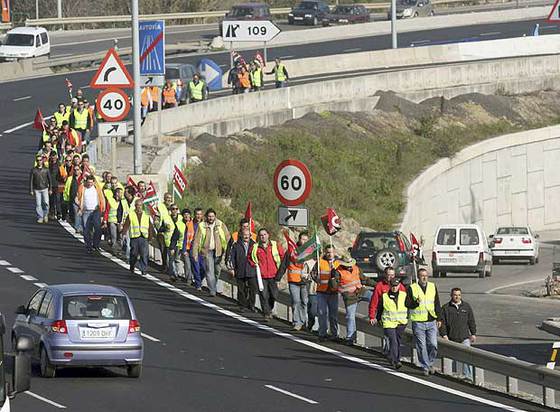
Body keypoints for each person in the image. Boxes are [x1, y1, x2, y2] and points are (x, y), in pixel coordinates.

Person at [331, 255, 374, 345]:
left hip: (361, 291)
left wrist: (377, 285)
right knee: (350, 316)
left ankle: (377, 316)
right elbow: (334, 286)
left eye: (351, 264)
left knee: (374, 299)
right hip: (349, 296)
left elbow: (365, 279)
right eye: (348, 264)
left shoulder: (356, 268)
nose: (350, 266)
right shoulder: (338, 272)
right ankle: (350, 337)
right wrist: (332, 278)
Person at [408, 268, 442, 376]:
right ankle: (425, 366)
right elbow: (407, 304)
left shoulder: (432, 287)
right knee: (421, 346)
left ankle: (429, 363)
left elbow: (436, 302)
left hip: (431, 320)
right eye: (422, 275)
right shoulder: (412, 288)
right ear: (418, 277)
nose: (424, 277)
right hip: (418, 321)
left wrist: (439, 318)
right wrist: (415, 302)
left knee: (433, 344)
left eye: (426, 275)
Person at [192, 209, 230, 296]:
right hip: (207, 251)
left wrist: (229, 250)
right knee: (209, 271)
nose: (211, 218)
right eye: (209, 216)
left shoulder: (220, 224)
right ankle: (212, 290)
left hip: (219, 252)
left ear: (215, 216)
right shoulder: (202, 226)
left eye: (212, 216)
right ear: (206, 217)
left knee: (217, 271)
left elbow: (227, 236)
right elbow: (196, 241)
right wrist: (195, 253)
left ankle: (213, 285)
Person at [440, 287, 477, 380]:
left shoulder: (466, 306)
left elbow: (471, 321)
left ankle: (468, 376)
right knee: (450, 358)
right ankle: (449, 375)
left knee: (467, 357)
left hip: (464, 337)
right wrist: (444, 335)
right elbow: (442, 323)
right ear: (451, 295)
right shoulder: (445, 308)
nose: (457, 297)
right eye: (455, 295)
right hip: (451, 338)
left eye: (459, 295)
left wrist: (473, 333)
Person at [249, 228, 285, 321]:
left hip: (274, 275)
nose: (263, 237)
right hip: (262, 276)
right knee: (263, 294)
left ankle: (269, 308)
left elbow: (282, 257)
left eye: (264, 234)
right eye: (261, 235)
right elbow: (250, 257)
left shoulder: (275, 245)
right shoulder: (255, 247)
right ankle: (266, 313)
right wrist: (255, 265)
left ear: (268, 235)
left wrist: (280, 271)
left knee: (274, 295)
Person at [369, 267, 406, 353]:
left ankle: (392, 355)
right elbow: (374, 302)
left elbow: (405, 302)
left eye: (392, 275)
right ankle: (390, 355)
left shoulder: (400, 286)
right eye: (388, 275)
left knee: (395, 340)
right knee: (390, 338)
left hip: (399, 320)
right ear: (385, 275)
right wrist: (372, 316)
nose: (390, 277)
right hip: (386, 318)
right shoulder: (380, 286)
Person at [377, 277, 409, 369]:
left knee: (398, 341)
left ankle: (393, 357)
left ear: (399, 286)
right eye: (393, 286)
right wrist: (378, 319)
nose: (394, 288)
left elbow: (408, 307)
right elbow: (380, 309)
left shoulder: (404, 295)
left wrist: (407, 317)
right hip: (389, 322)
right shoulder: (384, 296)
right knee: (393, 340)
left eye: (396, 286)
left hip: (401, 322)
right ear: (389, 286)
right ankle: (396, 361)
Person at [311, 245, 339, 341]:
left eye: (331, 252)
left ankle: (334, 334)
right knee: (322, 313)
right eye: (327, 252)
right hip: (322, 291)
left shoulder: (338, 263)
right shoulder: (320, 262)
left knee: (333, 314)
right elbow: (313, 272)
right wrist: (316, 278)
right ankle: (322, 333)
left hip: (333, 292)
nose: (329, 254)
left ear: (334, 252)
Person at [122, 199, 155, 275]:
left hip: (144, 237)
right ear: (135, 206)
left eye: (140, 205)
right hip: (135, 237)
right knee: (134, 253)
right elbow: (126, 225)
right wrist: (123, 233)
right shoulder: (131, 214)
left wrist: (151, 237)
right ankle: (132, 266)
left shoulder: (146, 215)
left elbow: (150, 227)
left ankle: (143, 269)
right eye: (137, 205)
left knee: (144, 254)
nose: (139, 207)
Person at [286, 232, 312, 331]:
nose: (304, 241)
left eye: (306, 240)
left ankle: (303, 321)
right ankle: (297, 322)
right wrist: (278, 277)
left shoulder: (311, 251)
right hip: (293, 280)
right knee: (296, 301)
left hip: (305, 281)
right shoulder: (292, 250)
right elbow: (285, 262)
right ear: (299, 239)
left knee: (305, 302)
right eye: (302, 239)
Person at [76, 175, 105, 254]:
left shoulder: (97, 188)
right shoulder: (82, 188)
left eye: (91, 183)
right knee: (86, 230)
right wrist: (80, 207)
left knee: (98, 229)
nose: (89, 184)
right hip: (86, 211)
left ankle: (96, 245)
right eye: (88, 182)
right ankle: (88, 246)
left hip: (96, 211)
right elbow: (78, 197)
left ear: (93, 182)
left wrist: (102, 209)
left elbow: (101, 198)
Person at [230, 229, 258, 312]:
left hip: (251, 270)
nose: (246, 236)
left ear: (250, 236)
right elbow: (232, 257)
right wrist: (232, 268)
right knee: (241, 289)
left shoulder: (255, 245)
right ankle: (242, 305)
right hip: (240, 269)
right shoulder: (236, 245)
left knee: (253, 289)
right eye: (244, 235)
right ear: (241, 235)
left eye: (247, 235)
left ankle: (251, 305)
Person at [104, 187, 129, 254]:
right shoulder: (111, 200)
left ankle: (120, 249)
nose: (122, 194)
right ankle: (115, 250)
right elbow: (107, 211)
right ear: (117, 193)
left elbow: (126, 211)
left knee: (121, 237)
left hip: (121, 222)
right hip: (112, 221)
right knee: (114, 236)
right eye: (121, 193)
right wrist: (105, 221)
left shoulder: (124, 201)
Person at [30, 154, 52, 224]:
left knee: (46, 203)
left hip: (45, 188)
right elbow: (31, 181)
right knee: (38, 204)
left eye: (40, 160)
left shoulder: (46, 169)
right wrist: (31, 190)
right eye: (38, 160)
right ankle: (40, 217)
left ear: (42, 161)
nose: (39, 161)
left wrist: (50, 189)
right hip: (37, 189)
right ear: (36, 161)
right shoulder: (33, 170)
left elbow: (50, 180)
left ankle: (45, 215)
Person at [190, 207, 206, 290]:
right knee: (196, 266)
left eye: (200, 214)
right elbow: (186, 236)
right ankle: (198, 284)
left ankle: (198, 279)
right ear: (194, 215)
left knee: (203, 268)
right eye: (197, 214)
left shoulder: (205, 224)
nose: (198, 216)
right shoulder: (191, 224)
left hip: (203, 249)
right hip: (193, 248)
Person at [47, 152, 66, 221]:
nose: (53, 158)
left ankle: (59, 213)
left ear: (56, 157)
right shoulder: (48, 165)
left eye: (54, 156)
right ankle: (52, 213)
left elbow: (64, 174)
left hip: (58, 185)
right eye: (52, 156)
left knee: (58, 200)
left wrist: (63, 181)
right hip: (50, 185)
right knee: (51, 200)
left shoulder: (59, 165)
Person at [63, 166, 82, 231]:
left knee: (82, 214)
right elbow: (67, 188)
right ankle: (77, 228)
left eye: (77, 169)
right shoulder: (70, 178)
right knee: (76, 213)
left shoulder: (83, 179)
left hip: (82, 199)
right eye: (75, 170)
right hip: (73, 199)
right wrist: (66, 198)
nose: (76, 171)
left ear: (80, 170)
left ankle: (80, 227)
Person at [181, 208, 195, 285]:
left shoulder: (193, 223)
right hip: (185, 248)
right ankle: (189, 279)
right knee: (187, 264)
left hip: (193, 248)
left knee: (194, 265)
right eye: (185, 215)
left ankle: (194, 278)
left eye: (188, 214)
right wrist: (184, 250)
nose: (186, 216)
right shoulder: (181, 224)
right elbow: (183, 238)